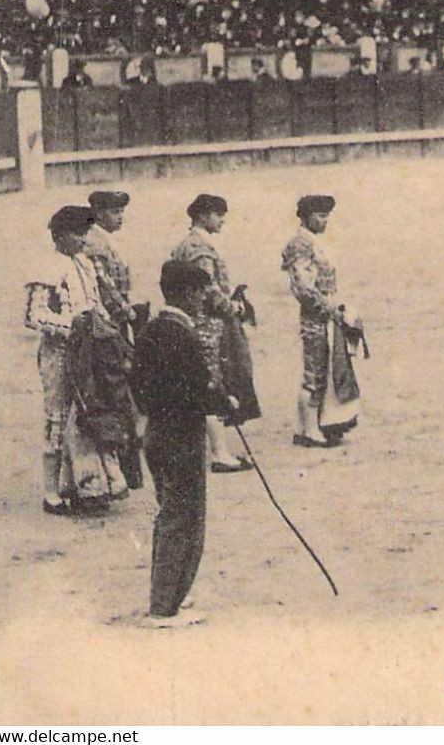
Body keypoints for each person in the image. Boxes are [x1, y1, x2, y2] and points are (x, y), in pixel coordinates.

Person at [132, 260, 240, 625]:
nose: (203, 300)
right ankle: (164, 606)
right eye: (200, 293)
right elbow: (196, 389)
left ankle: (169, 593)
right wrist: (224, 402)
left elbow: (140, 387)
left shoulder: (148, 330)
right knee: (184, 519)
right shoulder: (185, 334)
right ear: (186, 293)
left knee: (169, 515)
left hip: (156, 433)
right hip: (182, 437)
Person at [24, 206, 129, 514]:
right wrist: (73, 329)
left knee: (91, 412)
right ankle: (51, 493)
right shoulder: (45, 266)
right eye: (77, 233)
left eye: (85, 232)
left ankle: (87, 487)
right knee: (57, 416)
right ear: (59, 236)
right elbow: (33, 316)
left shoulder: (84, 264)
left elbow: (96, 305)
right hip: (60, 353)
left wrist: (106, 330)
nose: (84, 239)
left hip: (91, 352)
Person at [171, 195, 258, 473]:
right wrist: (233, 306)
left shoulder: (189, 244)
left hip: (194, 320)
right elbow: (206, 289)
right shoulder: (201, 248)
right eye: (218, 215)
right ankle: (219, 453)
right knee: (211, 382)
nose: (222, 220)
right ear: (203, 216)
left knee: (206, 381)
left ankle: (216, 450)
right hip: (207, 323)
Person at [281, 195, 360, 447]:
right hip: (317, 317)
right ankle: (308, 430)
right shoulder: (300, 244)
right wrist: (329, 309)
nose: (325, 220)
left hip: (326, 314)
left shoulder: (311, 242)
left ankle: (318, 425)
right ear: (305, 217)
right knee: (314, 371)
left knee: (325, 370)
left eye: (327, 215)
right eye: (320, 215)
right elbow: (303, 288)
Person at [84, 191, 135, 333]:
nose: (120, 217)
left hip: (117, 310)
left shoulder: (106, 238)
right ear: (99, 214)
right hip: (108, 314)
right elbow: (104, 284)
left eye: (121, 212)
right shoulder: (95, 242)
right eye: (115, 212)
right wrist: (127, 310)